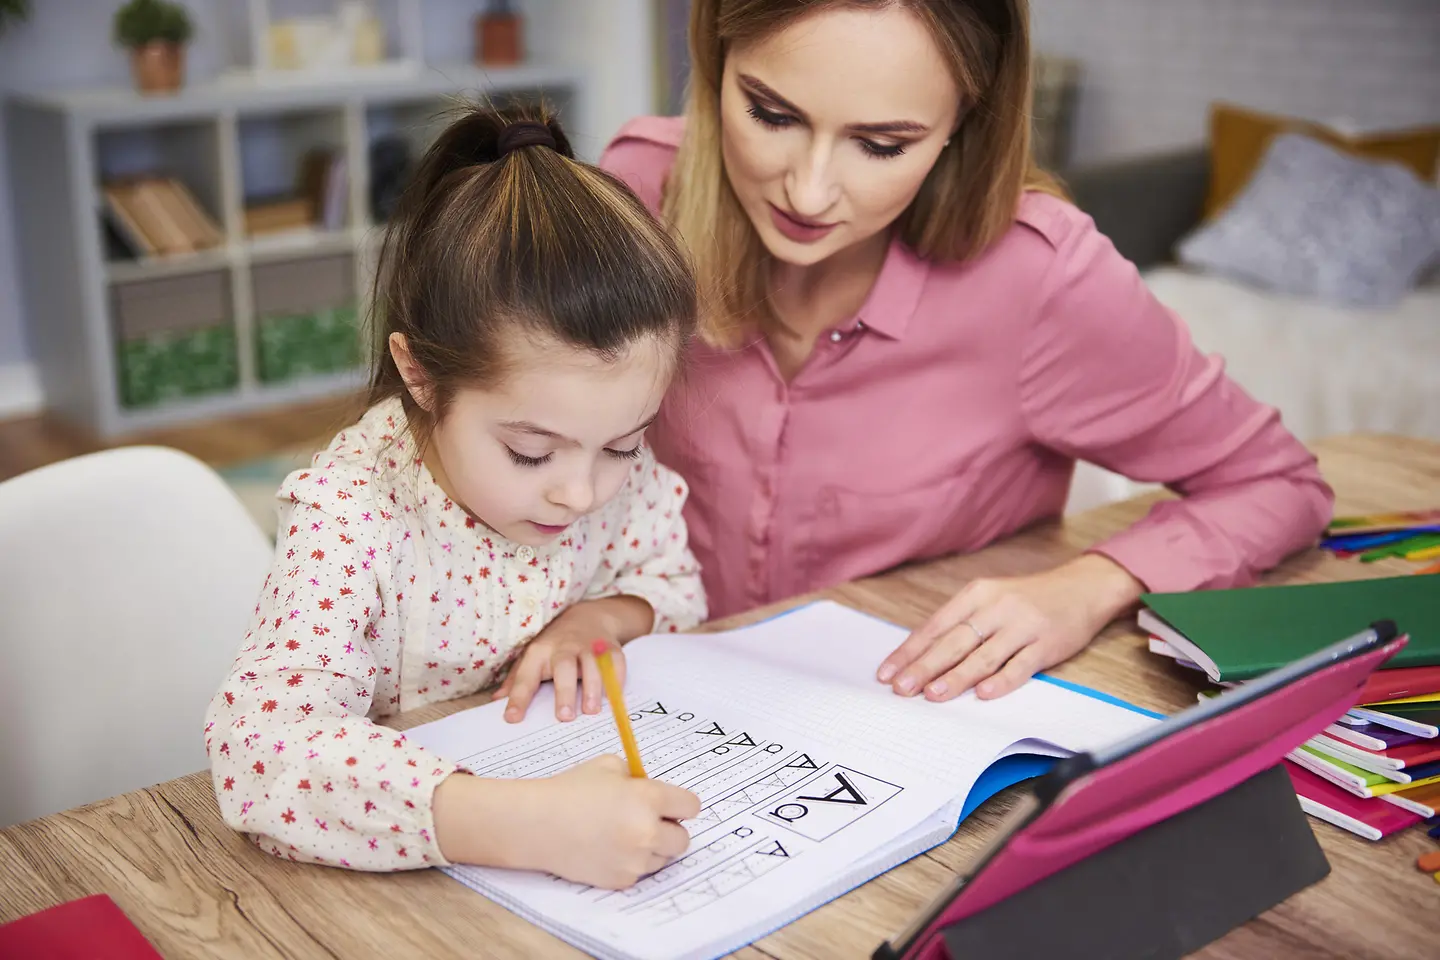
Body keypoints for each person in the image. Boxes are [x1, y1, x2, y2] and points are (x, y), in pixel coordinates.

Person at [600, 0, 1332, 703]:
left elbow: (1278, 484)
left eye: (882, 144)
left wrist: (1089, 587)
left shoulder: (1043, 277)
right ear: (714, 55)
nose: (810, 190)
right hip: (645, 691)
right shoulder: (635, 195)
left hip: (905, 718)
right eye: (771, 113)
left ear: (964, 121)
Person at [204, 103, 705, 886]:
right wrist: (526, 825)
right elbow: (260, 748)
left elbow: (674, 587)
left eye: (623, 444)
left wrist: (604, 617)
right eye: (529, 452)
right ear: (421, 376)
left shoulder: (611, 477)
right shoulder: (352, 514)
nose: (580, 492)